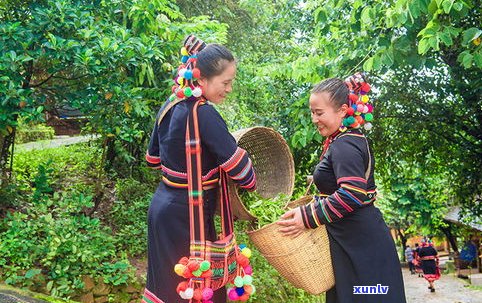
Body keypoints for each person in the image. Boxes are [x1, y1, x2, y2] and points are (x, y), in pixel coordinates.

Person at [141, 35, 256, 303]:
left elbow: (153, 160)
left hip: (162, 211)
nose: (229, 89)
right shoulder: (204, 114)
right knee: (199, 286)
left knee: (168, 288)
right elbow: (244, 175)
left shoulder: (170, 105)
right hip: (188, 216)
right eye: (225, 83)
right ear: (201, 79)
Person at [277, 73, 406, 303]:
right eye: (312, 113)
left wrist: (306, 217)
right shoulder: (346, 140)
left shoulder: (345, 145)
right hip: (354, 244)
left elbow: (352, 194)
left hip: (363, 249)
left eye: (319, 113)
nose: (314, 119)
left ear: (343, 110)